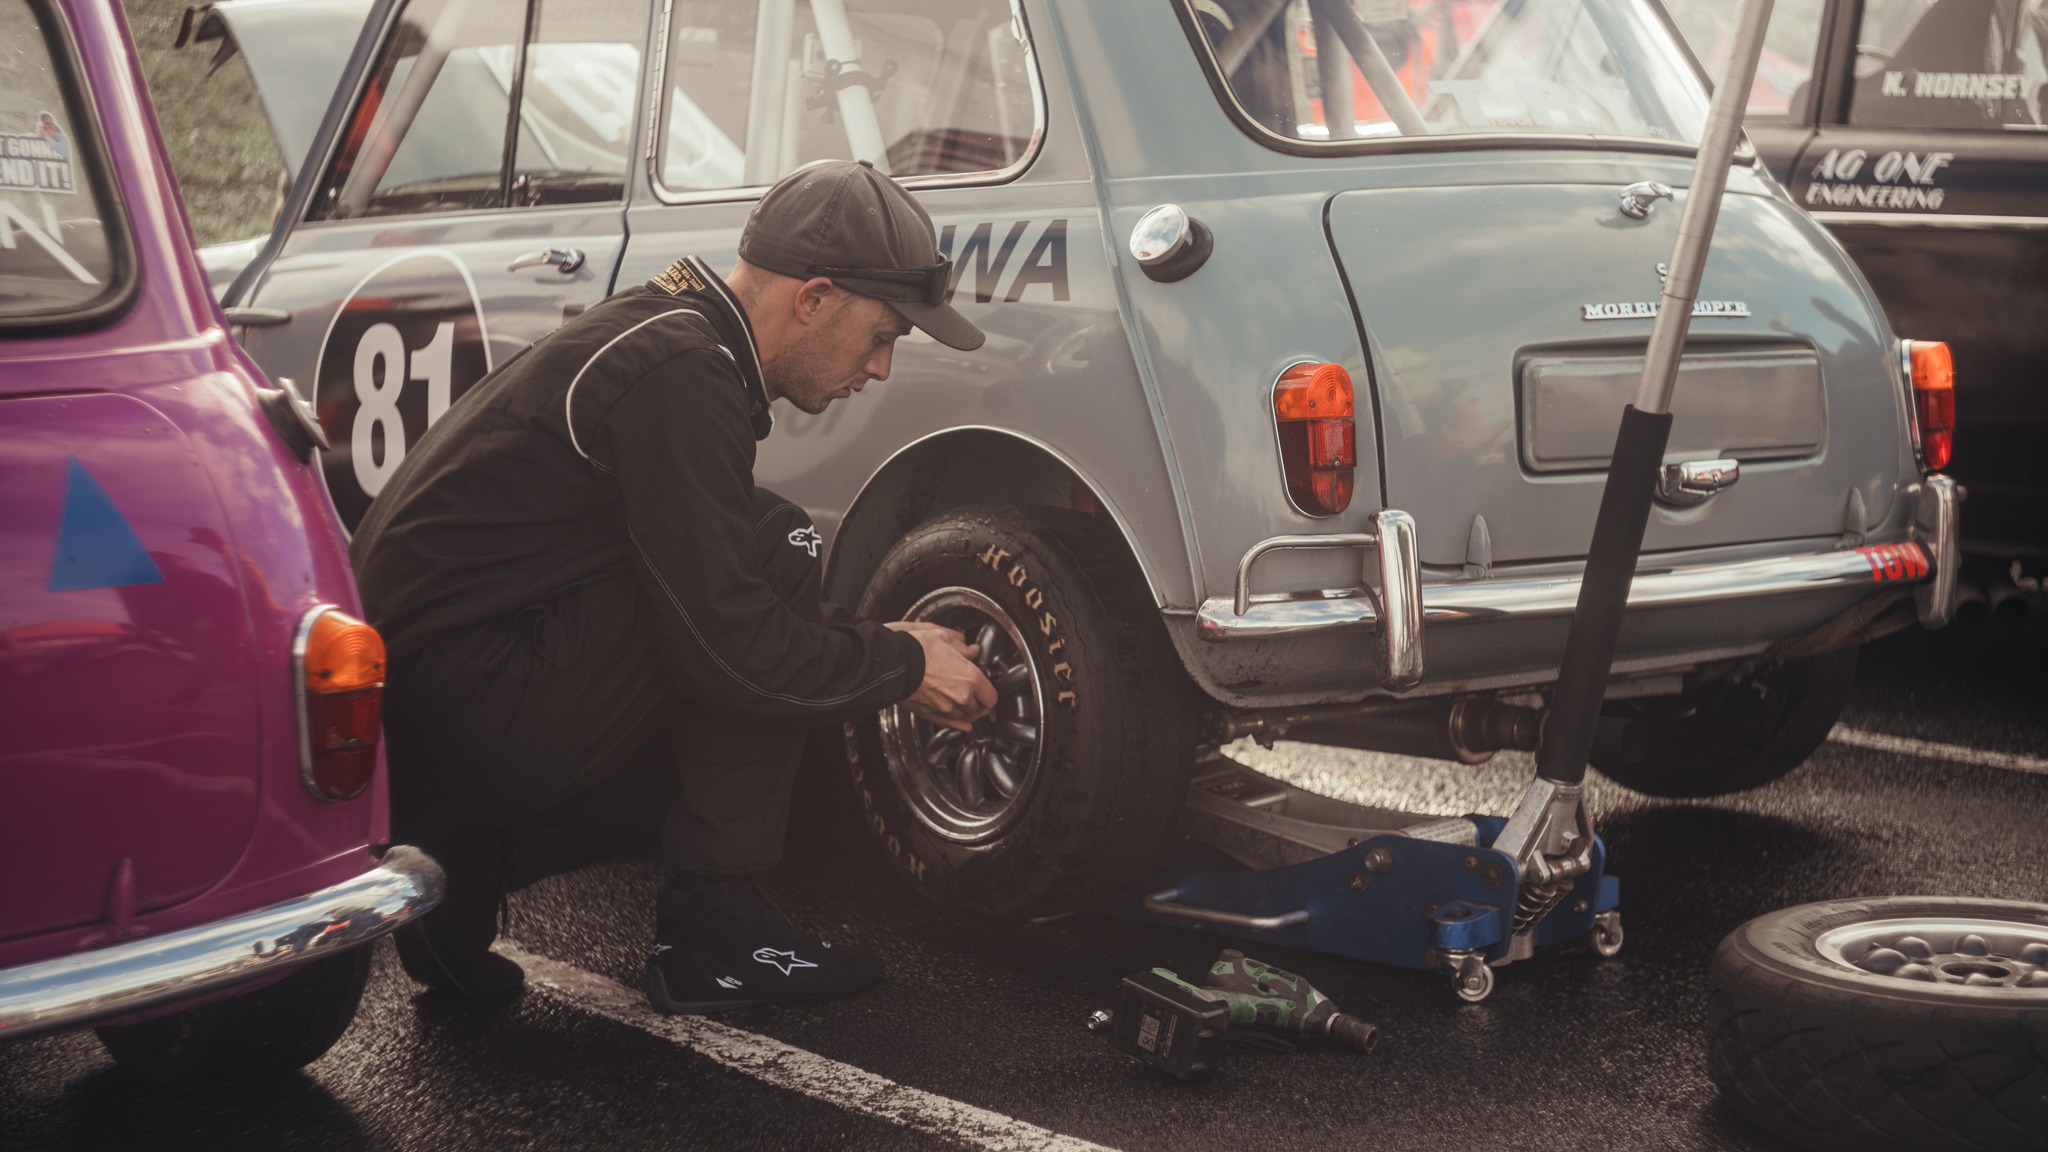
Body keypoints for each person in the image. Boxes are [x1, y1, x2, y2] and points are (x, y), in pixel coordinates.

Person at [350, 160, 998, 1013]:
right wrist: (902, 663)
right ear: (813, 298)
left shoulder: (663, 332)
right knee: (778, 548)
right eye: (882, 335)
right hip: (456, 708)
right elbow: (736, 653)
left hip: (412, 720)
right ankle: (714, 934)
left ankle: (461, 869)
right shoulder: (685, 371)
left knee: (742, 587)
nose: (878, 368)